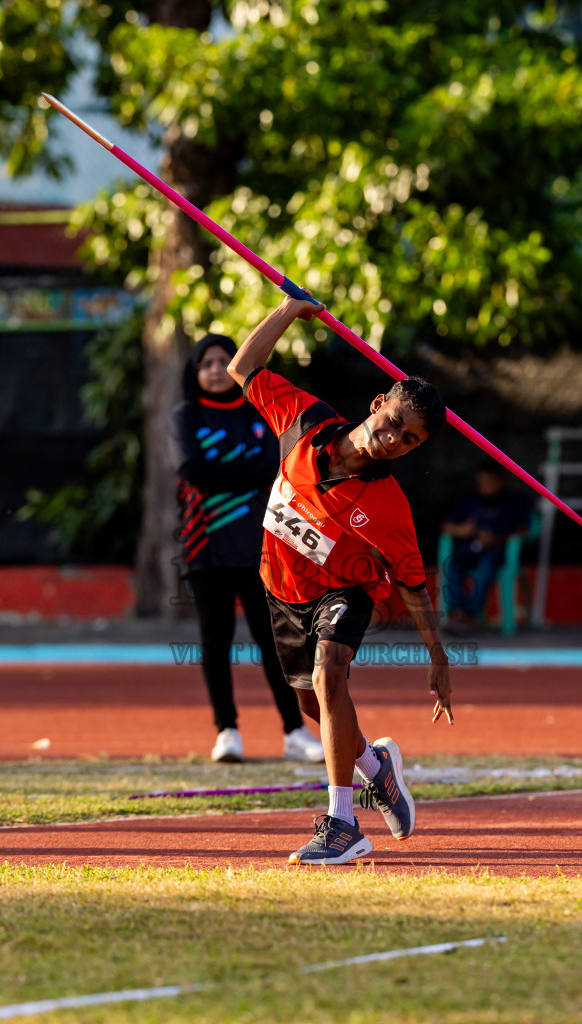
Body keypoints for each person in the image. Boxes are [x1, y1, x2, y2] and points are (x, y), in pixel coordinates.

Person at [227, 293, 453, 866]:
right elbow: (242, 368)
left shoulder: (388, 503)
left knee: (331, 679)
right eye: (394, 423)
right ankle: (378, 769)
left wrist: (438, 658)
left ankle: (342, 824)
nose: (395, 440)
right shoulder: (303, 421)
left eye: (410, 441)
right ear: (378, 403)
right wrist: (286, 310)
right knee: (316, 709)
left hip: (345, 591)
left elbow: (411, 583)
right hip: (281, 589)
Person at [169, 333, 324, 764]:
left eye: (224, 360)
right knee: (214, 641)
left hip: (262, 547)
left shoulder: (258, 410)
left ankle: (294, 731)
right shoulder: (185, 415)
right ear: (195, 372)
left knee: (275, 642)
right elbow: (191, 469)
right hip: (206, 547)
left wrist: (227, 471)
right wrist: (246, 471)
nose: (217, 370)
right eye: (207, 363)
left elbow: (274, 464)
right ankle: (227, 731)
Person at [441, 462, 531, 633]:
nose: (486, 486)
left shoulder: (514, 501)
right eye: (483, 482)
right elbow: (447, 525)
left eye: (491, 482)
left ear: (501, 481)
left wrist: (497, 538)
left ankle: (469, 616)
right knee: (452, 564)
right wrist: (461, 531)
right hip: (471, 549)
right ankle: (457, 613)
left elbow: (525, 528)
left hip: (499, 551)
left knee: (487, 565)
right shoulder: (471, 499)